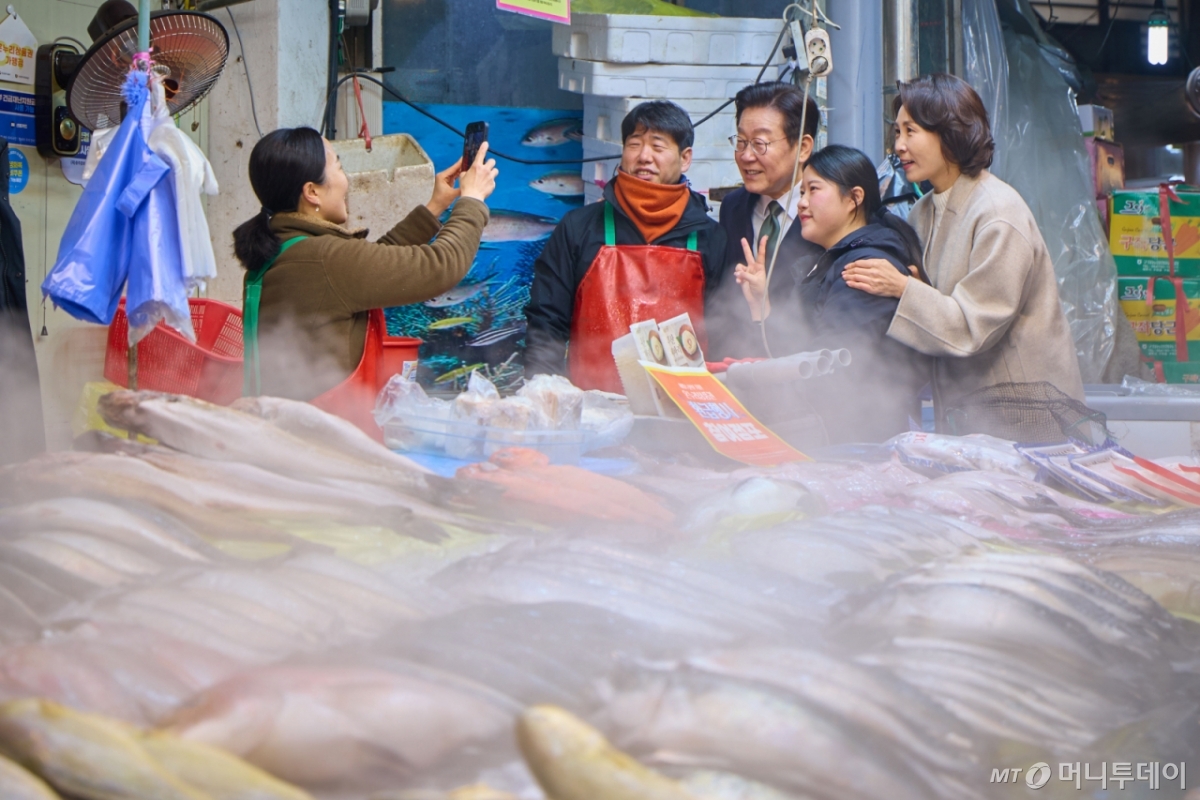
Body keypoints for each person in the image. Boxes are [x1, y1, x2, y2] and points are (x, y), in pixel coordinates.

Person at [841, 73, 1084, 430]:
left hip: (1026, 421)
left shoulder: (998, 212)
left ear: (951, 133)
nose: (899, 146)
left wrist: (901, 289)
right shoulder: (923, 211)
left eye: (912, 131)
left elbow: (974, 327)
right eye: (897, 132)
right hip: (969, 415)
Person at [234, 126, 497, 433]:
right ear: (312, 192)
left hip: (285, 430)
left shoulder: (286, 249)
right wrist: (472, 201)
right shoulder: (324, 259)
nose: (348, 181)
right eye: (340, 167)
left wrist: (435, 207)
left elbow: (366, 265)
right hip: (320, 441)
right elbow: (441, 266)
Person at [524, 101, 727, 392]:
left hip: (683, 412)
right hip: (593, 412)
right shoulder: (578, 227)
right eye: (634, 144)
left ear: (685, 159)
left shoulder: (711, 237)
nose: (644, 156)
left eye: (658, 147)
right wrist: (544, 392)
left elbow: (724, 332)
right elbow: (546, 322)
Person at [734, 145, 930, 444]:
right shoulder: (836, 260)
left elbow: (830, 371)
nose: (801, 203)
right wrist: (762, 306)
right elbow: (798, 353)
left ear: (854, 198)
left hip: (854, 444)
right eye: (801, 193)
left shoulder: (863, 268)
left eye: (813, 190)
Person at [707, 82, 822, 360]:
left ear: (803, 147)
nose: (746, 156)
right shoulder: (734, 206)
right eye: (741, 141)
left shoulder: (828, 212)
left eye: (760, 143)